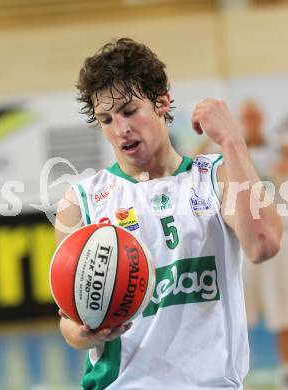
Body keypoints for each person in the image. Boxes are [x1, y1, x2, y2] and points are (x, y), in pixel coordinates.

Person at [55, 38, 282, 389]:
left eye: (129, 110)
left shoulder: (216, 176)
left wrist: (232, 140)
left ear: (162, 102)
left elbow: (264, 244)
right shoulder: (80, 201)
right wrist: (88, 333)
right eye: (106, 119)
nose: (120, 129)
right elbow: (69, 325)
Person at [239, 101, 288, 390]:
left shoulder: (277, 152)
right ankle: (234, 371)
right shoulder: (228, 153)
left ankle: (285, 371)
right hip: (244, 244)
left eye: (254, 116)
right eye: (245, 117)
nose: (250, 121)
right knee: (236, 311)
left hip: (277, 244)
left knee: (281, 310)